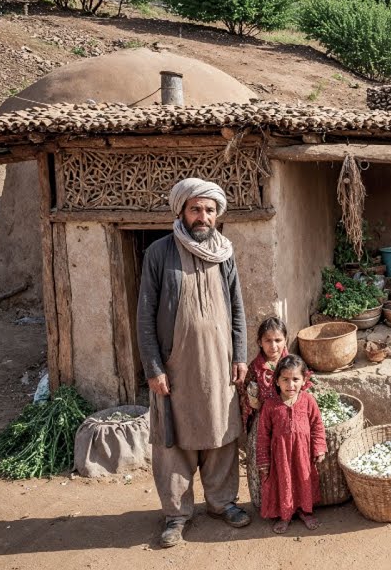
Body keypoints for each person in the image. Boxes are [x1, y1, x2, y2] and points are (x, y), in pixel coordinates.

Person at [137, 177, 250, 548]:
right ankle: (176, 514)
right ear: (182, 211)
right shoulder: (158, 253)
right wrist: (153, 367)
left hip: (219, 365)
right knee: (175, 441)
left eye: (209, 210)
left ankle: (222, 503)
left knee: (221, 433)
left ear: (217, 214)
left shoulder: (225, 253)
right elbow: (144, 315)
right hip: (175, 368)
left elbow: (237, 308)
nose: (203, 217)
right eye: (196, 209)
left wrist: (241, 355)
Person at [257, 354, 326, 533]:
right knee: (284, 483)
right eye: (285, 379)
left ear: (304, 380)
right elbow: (263, 434)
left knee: (304, 480)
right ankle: (285, 515)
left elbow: (317, 425)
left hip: (303, 455)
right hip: (280, 457)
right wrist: (264, 460)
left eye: (296, 379)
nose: (291, 384)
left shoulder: (308, 401)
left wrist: (319, 448)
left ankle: (306, 511)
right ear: (277, 381)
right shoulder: (270, 405)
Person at [241, 316, 290, 510]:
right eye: (268, 340)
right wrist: (252, 397)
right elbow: (246, 397)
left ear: (285, 339)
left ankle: (288, 504)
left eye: (278, 340)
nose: (273, 346)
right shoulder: (254, 368)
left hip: (287, 425)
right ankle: (266, 505)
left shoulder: (291, 364)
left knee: (286, 462)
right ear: (259, 342)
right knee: (262, 464)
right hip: (262, 426)